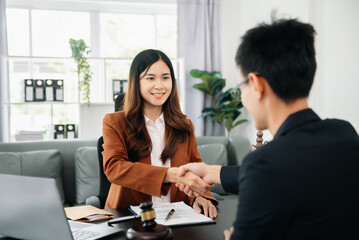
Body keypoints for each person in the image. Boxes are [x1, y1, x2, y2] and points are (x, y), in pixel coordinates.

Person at [177, 18, 359, 239]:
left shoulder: (265, 163)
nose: (242, 98)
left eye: (240, 87)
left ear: (256, 84)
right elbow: (289, 171)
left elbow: (268, 172)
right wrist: (211, 172)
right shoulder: (345, 133)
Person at [102, 49, 217, 218]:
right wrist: (170, 175)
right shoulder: (114, 122)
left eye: (165, 77)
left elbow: (196, 168)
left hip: (177, 215)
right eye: (150, 78)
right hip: (130, 217)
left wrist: (200, 196)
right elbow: (114, 168)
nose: (160, 85)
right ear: (136, 82)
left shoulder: (185, 125)